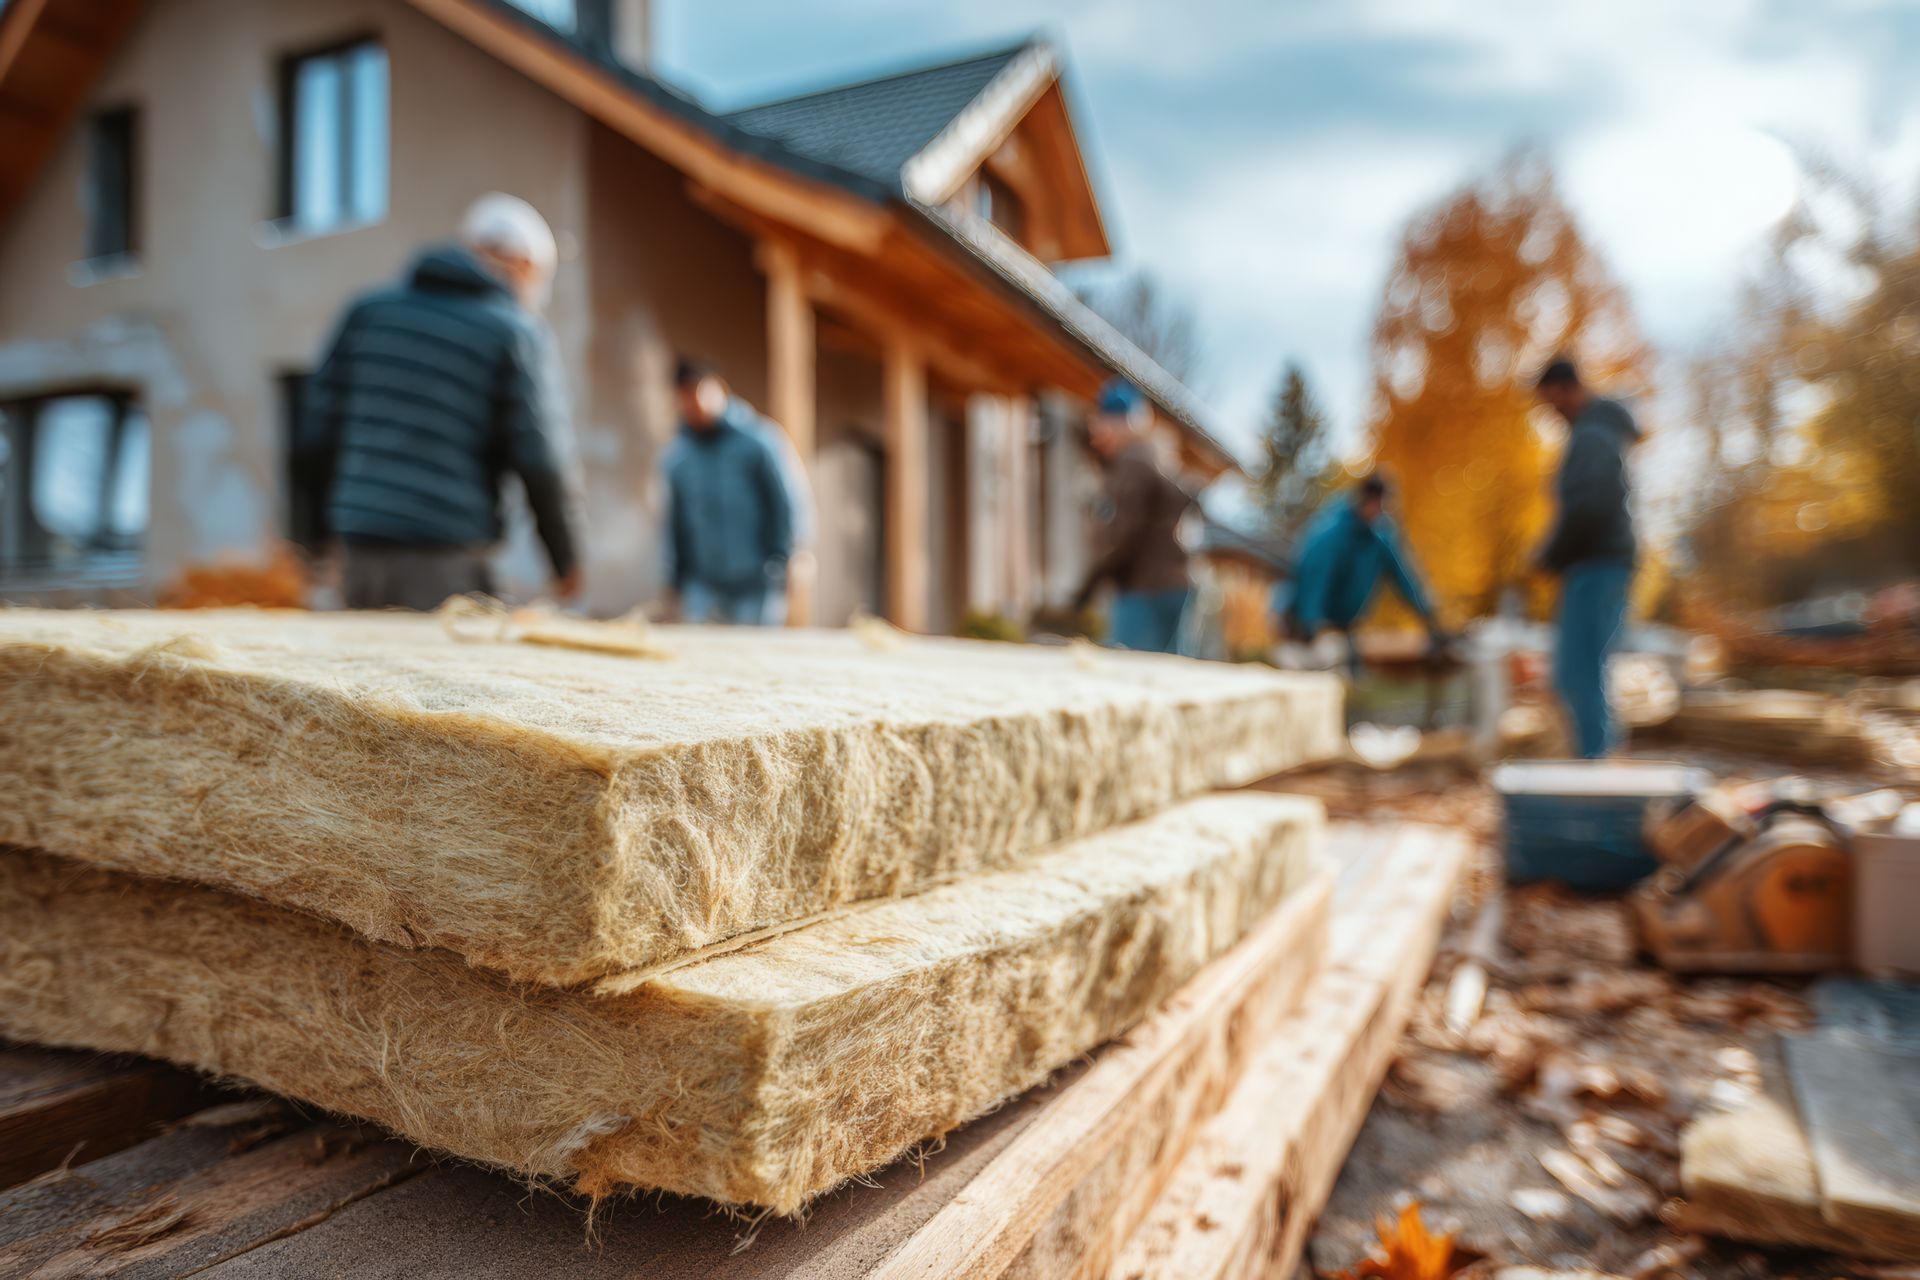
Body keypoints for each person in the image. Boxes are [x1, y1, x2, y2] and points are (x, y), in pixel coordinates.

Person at [300, 193, 581, 610]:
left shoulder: (366, 313)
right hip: (447, 557)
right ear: (522, 265)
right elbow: (541, 458)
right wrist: (566, 561)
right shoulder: (514, 333)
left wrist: (311, 542)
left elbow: (314, 434)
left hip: (359, 554)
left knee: (361, 672)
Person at [1534, 357, 1640, 758]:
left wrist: (1550, 555)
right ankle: (1595, 761)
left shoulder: (1593, 433)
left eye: (1551, 402)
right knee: (1579, 670)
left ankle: (1596, 770)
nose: (1551, 412)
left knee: (1579, 671)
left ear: (1567, 389)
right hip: (1596, 563)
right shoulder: (1595, 431)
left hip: (1597, 565)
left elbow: (1590, 506)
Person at [661, 359, 796, 625]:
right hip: (704, 585)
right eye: (686, 396)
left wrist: (782, 560)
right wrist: (674, 579)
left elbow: (785, 503)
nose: (696, 404)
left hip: (756, 581)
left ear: (720, 389)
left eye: (701, 392)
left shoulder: (759, 442)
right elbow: (675, 523)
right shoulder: (679, 458)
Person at [1072, 379, 1194, 654]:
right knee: (1166, 674)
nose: (1095, 434)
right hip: (1171, 581)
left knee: (1134, 673)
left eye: (1101, 423)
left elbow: (1123, 533)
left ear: (1118, 424)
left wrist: (1088, 586)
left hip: (1147, 586)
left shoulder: (1133, 462)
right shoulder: (1157, 456)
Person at [1282, 473, 1439, 677]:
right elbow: (1315, 579)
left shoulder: (1380, 536)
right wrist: (1314, 623)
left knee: (1348, 674)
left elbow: (1404, 578)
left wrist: (1427, 614)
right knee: (1320, 667)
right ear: (1365, 500)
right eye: (1377, 505)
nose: (1381, 512)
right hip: (1312, 624)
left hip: (1346, 625)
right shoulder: (1332, 533)